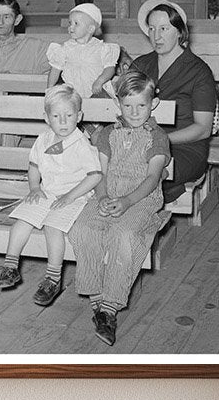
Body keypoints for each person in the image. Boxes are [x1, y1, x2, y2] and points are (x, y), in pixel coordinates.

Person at [68, 70, 172, 347]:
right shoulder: (107, 135)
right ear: (118, 105)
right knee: (82, 228)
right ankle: (96, 299)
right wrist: (102, 197)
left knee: (123, 235)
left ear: (153, 104)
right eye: (128, 106)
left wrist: (126, 202)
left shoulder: (158, 137)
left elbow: (152, 178)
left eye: (142, 105)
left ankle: (111, 306)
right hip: (108, 193)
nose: (135, 112)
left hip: (141, 198)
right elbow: (99, 173)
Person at [0, 84, 103, 307]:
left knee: (52, 227)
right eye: (56, 116)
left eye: (69, 115)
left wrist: (70, 196)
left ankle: (53, 278)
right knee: (23, 219)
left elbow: (94, 176)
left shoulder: (81, 144)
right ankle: (10, 266)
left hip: (75, 194)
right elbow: (34, 166)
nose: (63, 122)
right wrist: (34, 188)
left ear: (79, 116)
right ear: (46, 118)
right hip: (47, 192)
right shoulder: (43, 140)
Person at [130, 0, 216, 204]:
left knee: (142, 173)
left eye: (164, 28)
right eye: (151, 28)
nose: (156, 36)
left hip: (184, 147)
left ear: (179, 32)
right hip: (138, 143)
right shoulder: (140, 64)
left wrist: (161, 141)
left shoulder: (199, 71)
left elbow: (203, 129)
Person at [45, 2, 120, 100]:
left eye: (76, 24)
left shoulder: (101, 48)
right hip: (73, 92)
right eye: (70, 23)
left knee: (102, 100)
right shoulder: (65, 48)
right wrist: (49, 89)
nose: (71, 27)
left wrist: (100, 81)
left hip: (96, 90)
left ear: (90, 29)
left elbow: (109, 69)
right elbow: (55, 70)